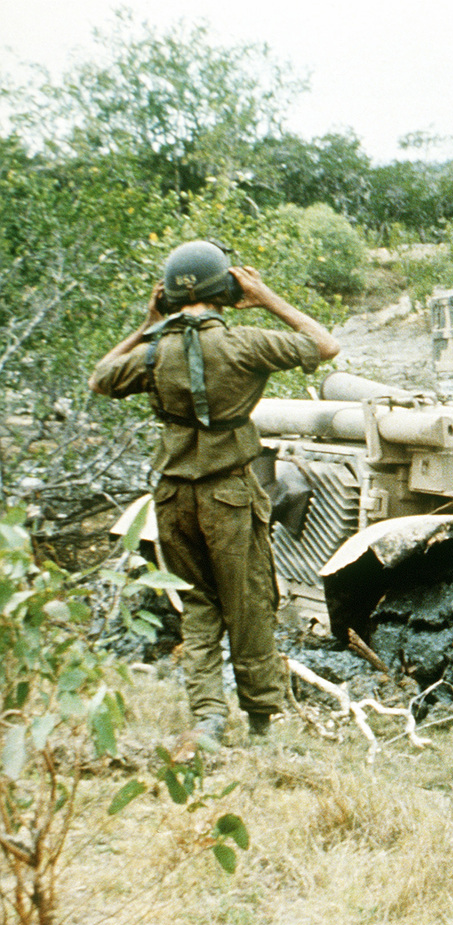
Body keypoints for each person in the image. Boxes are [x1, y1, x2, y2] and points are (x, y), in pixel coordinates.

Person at [90, 241, 340, 741]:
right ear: (226, 288)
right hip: (229, 493)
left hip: (172, 496)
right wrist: (266, 297)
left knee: (198, 603)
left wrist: (148, 323)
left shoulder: (153, 351)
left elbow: (100, 379)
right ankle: (260, 720)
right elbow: (324, 344)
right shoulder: (244, 343)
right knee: (247, 602)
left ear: (168, 297)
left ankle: (206, 715)